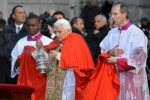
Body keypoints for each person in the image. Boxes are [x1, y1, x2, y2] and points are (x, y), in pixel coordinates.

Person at [49, 19, 120, 100]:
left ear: (68, 31)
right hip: (61, 78)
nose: (57, 34)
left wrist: (57, 54)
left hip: (74, 77)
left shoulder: (76, 40)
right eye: (55, 32)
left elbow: (74, 61)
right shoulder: (60, 41)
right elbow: (49, 49)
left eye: (59, 32)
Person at [100, 2, 150, 99]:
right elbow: (102, 52)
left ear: (124, 14)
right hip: (114, 79)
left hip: (131, 80)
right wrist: (110, 53)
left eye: (115, 14)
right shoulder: (111, 33)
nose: (112, 17)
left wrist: (117, 61)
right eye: (111, 14)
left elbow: (139, 59)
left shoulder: (137, 33)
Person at [11, 14, 53, 100]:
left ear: (39, 25)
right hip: (25, 80)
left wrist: (41, 50)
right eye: (28, 25)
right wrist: (17, 63)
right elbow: (14, 61)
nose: (30, 28)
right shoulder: (21, 42)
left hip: (42, 82)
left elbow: (52, 64)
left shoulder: (48, 42)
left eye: (33, 25)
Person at [0, 5, 28, 84]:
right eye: (20, 13)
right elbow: (1, 47)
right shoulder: (6, 29)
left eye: (24, 12)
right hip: (6, 65)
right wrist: (10, 57)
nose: (23, 15)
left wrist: (19, 59)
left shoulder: (29, 30)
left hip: (23, 66)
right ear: (13, 16)